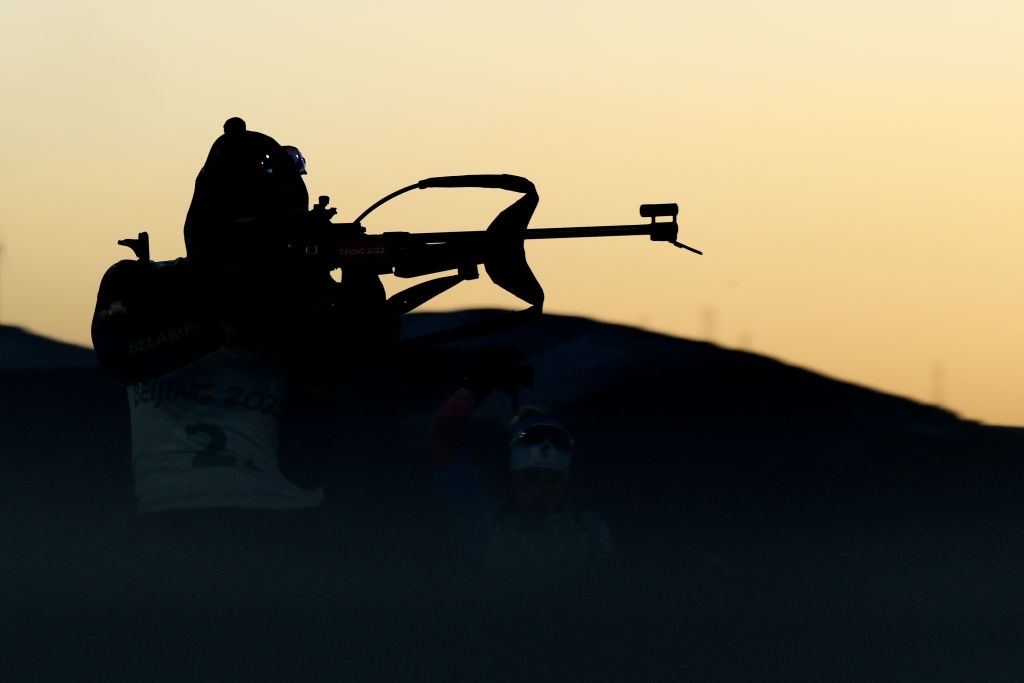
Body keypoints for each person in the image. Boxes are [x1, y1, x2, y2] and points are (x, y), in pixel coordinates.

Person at [91, 117, 360, 515]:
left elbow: (316, 454)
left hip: (288, 520)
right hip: (177, 524)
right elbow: (123, 356)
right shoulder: (139, 283)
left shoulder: (304, 296)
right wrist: (230, 325)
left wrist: (351, 291)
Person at [427, 346, 615, 589]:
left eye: (551, 481)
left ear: (565, 483)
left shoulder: (590, 530)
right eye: (529, 478)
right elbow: (443, 438)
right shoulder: (481, 521)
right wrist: (475, 387)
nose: (539, 491)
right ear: (512, 477)